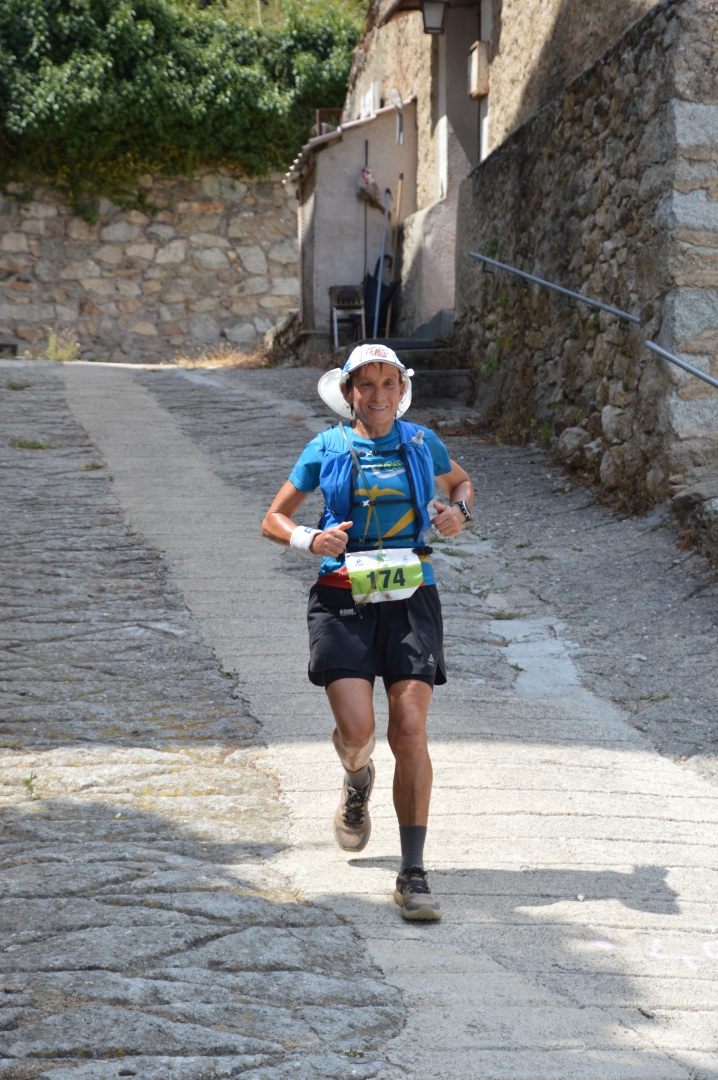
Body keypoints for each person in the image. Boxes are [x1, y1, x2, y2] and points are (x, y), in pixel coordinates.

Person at [262, 344, 474, 920]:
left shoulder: (422, 442)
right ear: (348, 392)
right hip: (342, 597)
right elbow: (273, 518)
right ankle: (357, 778)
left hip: (412, 596)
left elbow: (460, 484)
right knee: (358, 732)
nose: (378, 395)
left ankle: (413, 873)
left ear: (401, 390)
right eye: (366, 384)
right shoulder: (326, 447)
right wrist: (311, 539)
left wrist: (458, 513)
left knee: (410, 729)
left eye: (388, 384)